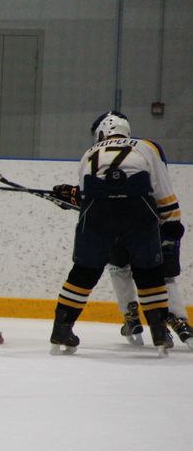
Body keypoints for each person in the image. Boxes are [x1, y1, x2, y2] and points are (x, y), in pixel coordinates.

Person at [49, 111, 173, 355]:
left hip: (98, 212)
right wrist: (171, 222)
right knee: (148, 271)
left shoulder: (89, 153)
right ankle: (159, 333)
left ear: (102, 132)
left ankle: (61, 330)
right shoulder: (145, 146)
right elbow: (161, 190)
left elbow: (85, 195)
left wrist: (68, 196)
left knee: (84, 271)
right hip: (138, 210)